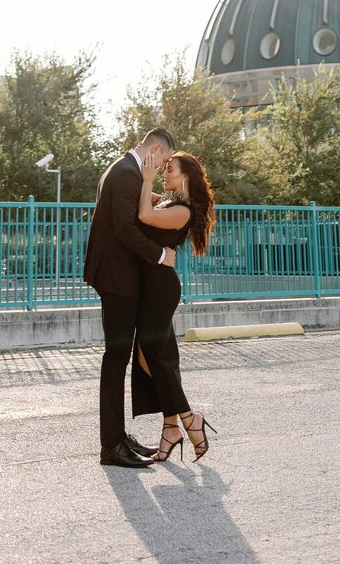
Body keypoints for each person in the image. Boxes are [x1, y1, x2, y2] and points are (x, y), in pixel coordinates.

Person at [83, 127, 178, 469]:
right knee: (115, 359)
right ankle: (111, 446)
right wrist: (159, 256)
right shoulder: (126, 174)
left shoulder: (125, 168)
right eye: (165, 159)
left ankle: (118, 437)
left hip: (116, 277)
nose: (165, 165)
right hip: (117, 279)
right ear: (154, 149)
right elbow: (124, 229)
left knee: (118, 358)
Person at [130, 149, 218, 461]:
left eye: (170, 170)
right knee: (161, 356)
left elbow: (143, 215)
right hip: (152, 286)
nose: (165, 174)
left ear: (185, 177)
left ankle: (188, 418)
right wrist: (142, 173)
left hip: (160, 289)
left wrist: (147, 179)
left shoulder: (183, 209)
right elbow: (144, 196)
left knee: (151, 354)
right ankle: (171, 428)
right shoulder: (170, 200)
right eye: (165, 170)